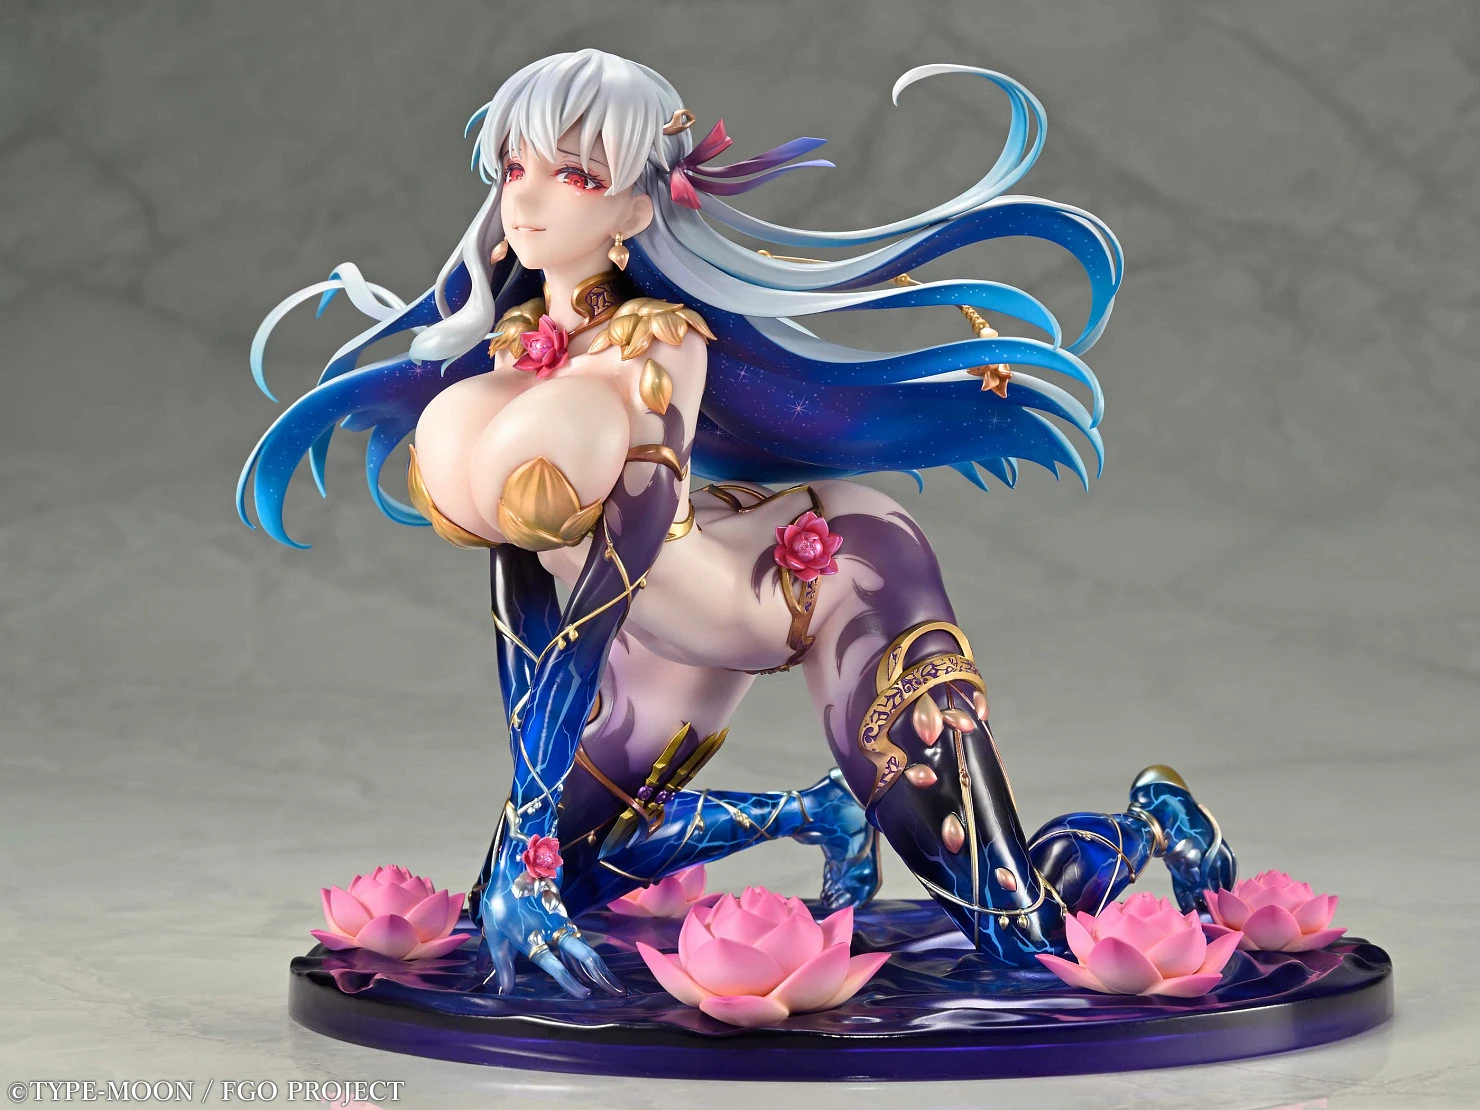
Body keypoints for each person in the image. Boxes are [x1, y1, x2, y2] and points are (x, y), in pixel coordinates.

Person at [240, 49, 1234, 998]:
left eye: (574, 175)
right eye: (515, 167)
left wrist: (529, 823)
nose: (528, 197)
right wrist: (524, 833)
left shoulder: (658, 350)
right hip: (663, 631)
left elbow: (614, 571)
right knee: (541, 895)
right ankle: (817, 810)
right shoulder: (517, 350)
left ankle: (1153, 822)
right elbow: (524, 593)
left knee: (1023, 939)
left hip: (825, 584)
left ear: (636, 208)